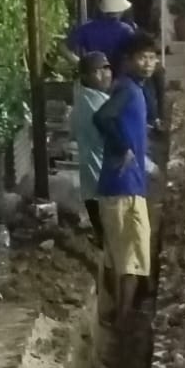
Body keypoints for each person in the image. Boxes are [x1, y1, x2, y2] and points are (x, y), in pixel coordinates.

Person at [94, 31, 157, 330]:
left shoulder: (133, 89)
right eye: (142, 58)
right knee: (127, 257)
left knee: (128, 255)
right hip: (122, 187)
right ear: (128, 61)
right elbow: (102, 118)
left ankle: (122, 315)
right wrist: (123, 148)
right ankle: (122, 319)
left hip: (129, 185)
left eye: (152, 58)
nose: (148, 64)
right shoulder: (129, 90)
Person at [67, 0, 165, 136]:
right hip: (120, 79)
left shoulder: (86, 29)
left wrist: (79, 63)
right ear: (121, 9)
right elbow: (132, 55)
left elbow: (63, 47)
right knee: (150, 80)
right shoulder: (126, 30)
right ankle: (155, 119)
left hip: (94, 79)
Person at [69, 50, 111, 245]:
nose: (105, 74)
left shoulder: (83, 100)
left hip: (91, 172)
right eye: (98, 71)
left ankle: (101, 239)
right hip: (107, 175)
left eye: (107, 69)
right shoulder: (99, 104)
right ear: (85, 77)